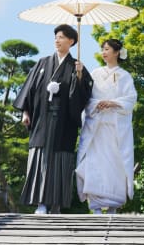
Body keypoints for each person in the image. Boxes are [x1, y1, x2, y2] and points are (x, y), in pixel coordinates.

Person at [12, 24, 92, 214]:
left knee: (60, 160)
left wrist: (79, 78)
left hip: (64, 122)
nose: (57, 40)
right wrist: (25, 112)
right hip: (42, 120)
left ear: (71, 41)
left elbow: (83, 96)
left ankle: (55, 204)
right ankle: (40, 203)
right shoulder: (42, 63)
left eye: (62, 37)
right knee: (40, 159)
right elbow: (29, 91)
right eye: (56, 37)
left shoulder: (77, 67)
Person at [75, 38, 137, 214]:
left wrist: (112, 102)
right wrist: (97, 103)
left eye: (107, 49)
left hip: (116, 129)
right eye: (102, 49)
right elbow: (86, 97)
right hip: (97, 127)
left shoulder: (125, 76)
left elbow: (130, 99)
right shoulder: (94, 73)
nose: (104, 52)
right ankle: (95, 205)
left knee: (115, 165)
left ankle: (113, 205)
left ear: (117, 52)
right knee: (95, 164)